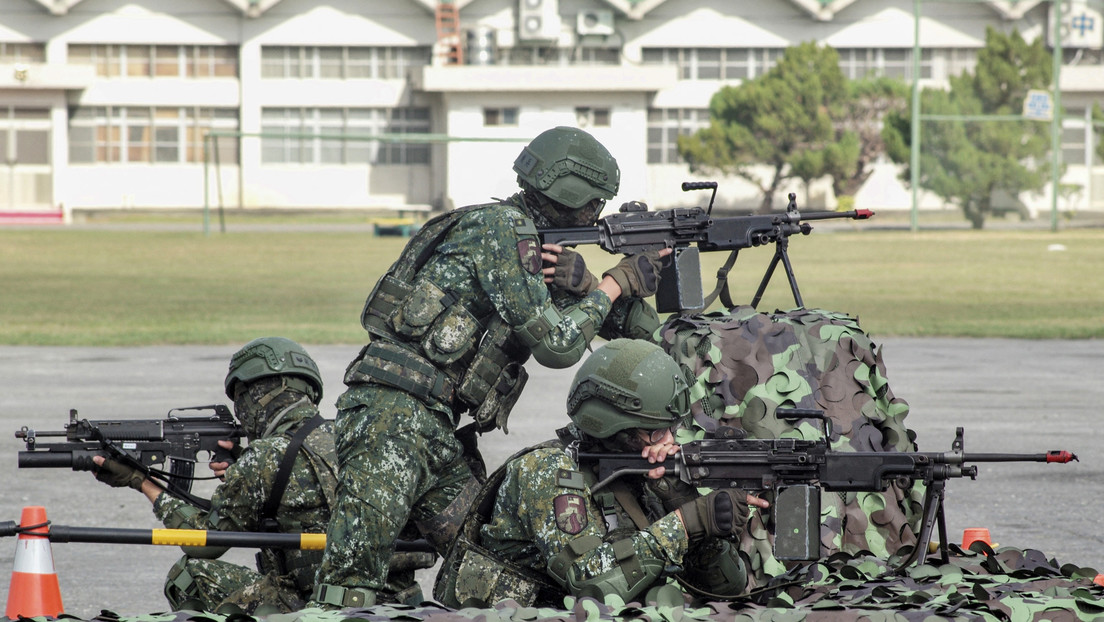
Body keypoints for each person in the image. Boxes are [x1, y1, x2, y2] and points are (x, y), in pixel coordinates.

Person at [312, 126, 671, 608]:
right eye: (595, 205)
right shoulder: (504, 230)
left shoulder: (528, 249)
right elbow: (558, 348)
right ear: (572, 194)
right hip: (391, 420)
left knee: (492, 561)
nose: (597, 215)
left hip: (434, 429)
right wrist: (612, 283)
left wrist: (588, 285)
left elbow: (649, 337)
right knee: (348, 586)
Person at [434, 338, 769, 607]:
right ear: (614, 429)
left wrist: (689, 509)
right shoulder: (548, 472)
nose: (668, 441)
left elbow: (727, 591)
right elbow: (590, 588)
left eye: (673, 428)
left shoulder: (642, 471)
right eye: (655, 432)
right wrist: (684, 523)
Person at [90, 337, 342, 614]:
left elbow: (204, 544)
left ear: (254, 396)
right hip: (363, 596)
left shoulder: (265, 457)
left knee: (188, 575)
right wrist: (242, 471)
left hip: (307, 600)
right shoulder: (347, 438)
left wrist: (142, 482)